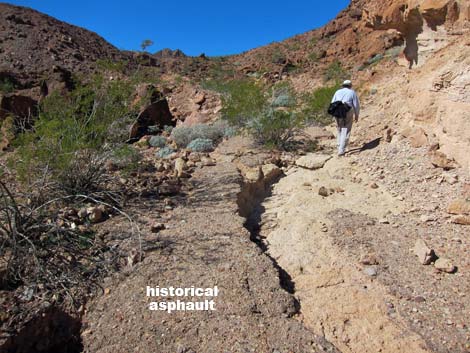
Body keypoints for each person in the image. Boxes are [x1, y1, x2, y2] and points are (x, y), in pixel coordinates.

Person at [331, 80, 360, 156]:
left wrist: (333, 114)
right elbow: (356, 105)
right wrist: (356, 115)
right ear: (350, 85)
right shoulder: (352, 92)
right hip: (347, 111)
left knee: (339, 129)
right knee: (345, 129)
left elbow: (332, 102)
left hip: (337, 111)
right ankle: (341, 149)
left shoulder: (337, 92)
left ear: (343, 85)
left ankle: (339, 145)